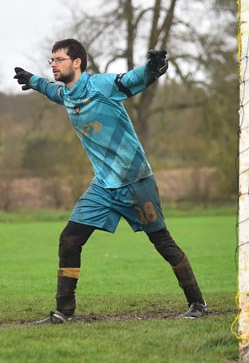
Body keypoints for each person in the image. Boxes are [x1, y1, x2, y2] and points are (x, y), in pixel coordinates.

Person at [13, 38, 207, 324]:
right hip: (103, 186)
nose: (53, 64)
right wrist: (32, 80)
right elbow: (50, 90)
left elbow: (134, 79)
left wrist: (155, 67)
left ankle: (197, 303)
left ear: (77, 62)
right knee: (69, 240)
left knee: (162, 241)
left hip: (136, 182)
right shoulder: (67, 94)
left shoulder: (102, 86)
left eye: (59, 59)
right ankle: (63, 312)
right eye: (51, 60)